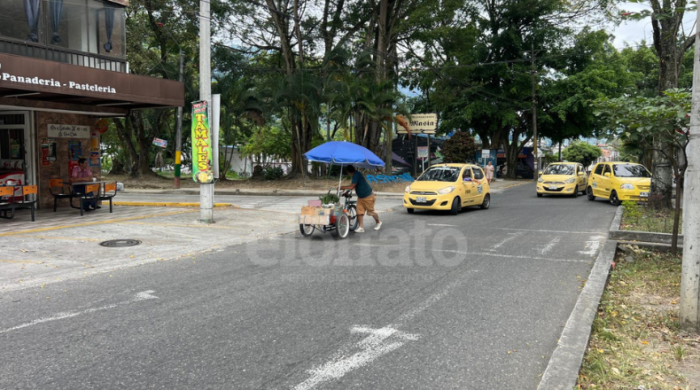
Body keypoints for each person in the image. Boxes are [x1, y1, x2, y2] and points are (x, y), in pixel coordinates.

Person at [340, 165, 381, 233]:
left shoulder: (356, 175)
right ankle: (361, 227)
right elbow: (353, 185)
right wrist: (346, 191)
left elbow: (352, 186)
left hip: (368, 196)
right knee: (359, 212)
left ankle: (378, 222)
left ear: (349, 172)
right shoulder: (354, 175)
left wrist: (342, 187)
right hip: (361, 197)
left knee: (371, 212)